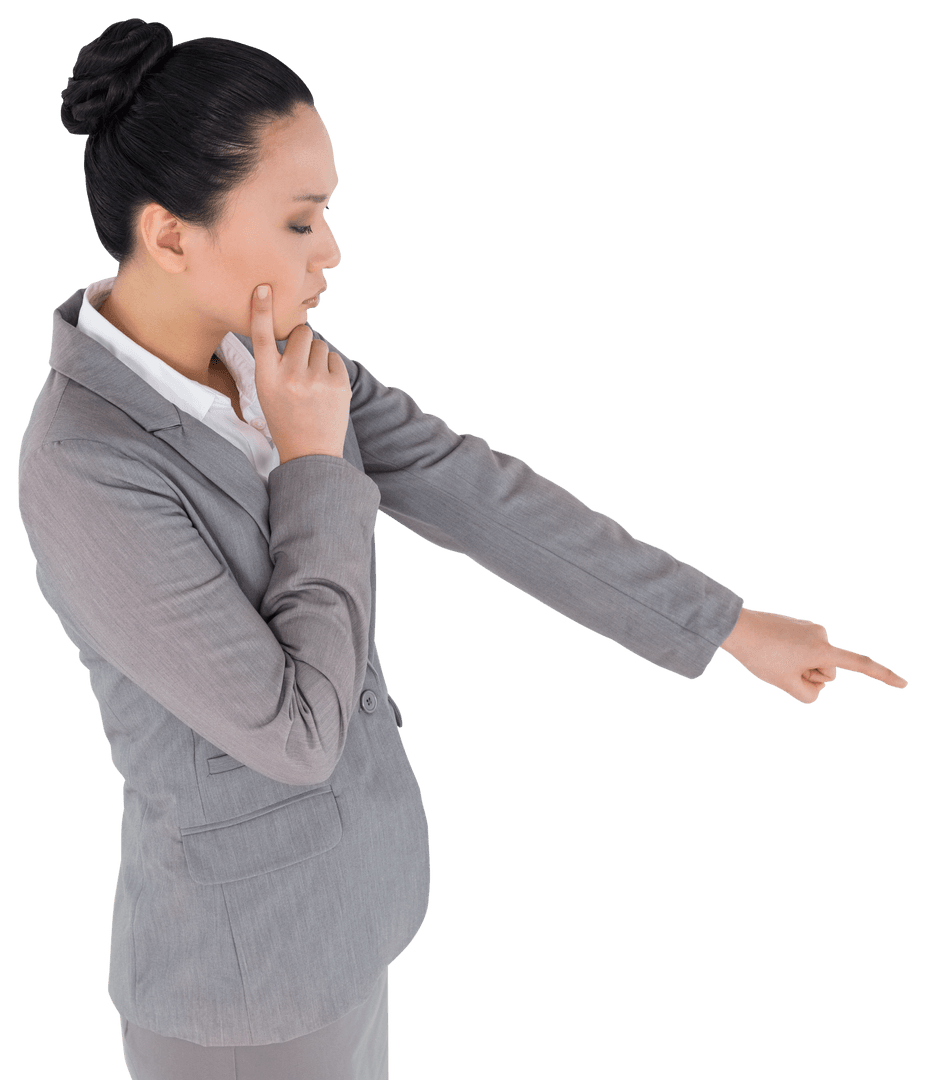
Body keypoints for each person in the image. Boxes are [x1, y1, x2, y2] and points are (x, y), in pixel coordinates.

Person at [17, 17, 908, 1080]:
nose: (332, 252)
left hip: (356, 914)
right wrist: (310, 466)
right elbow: (294, 732)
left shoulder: (272, 364)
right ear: (171, 236)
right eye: (301, 222)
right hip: (240, 989)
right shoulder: (82, 466)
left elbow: (477, 492)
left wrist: (723, 626)